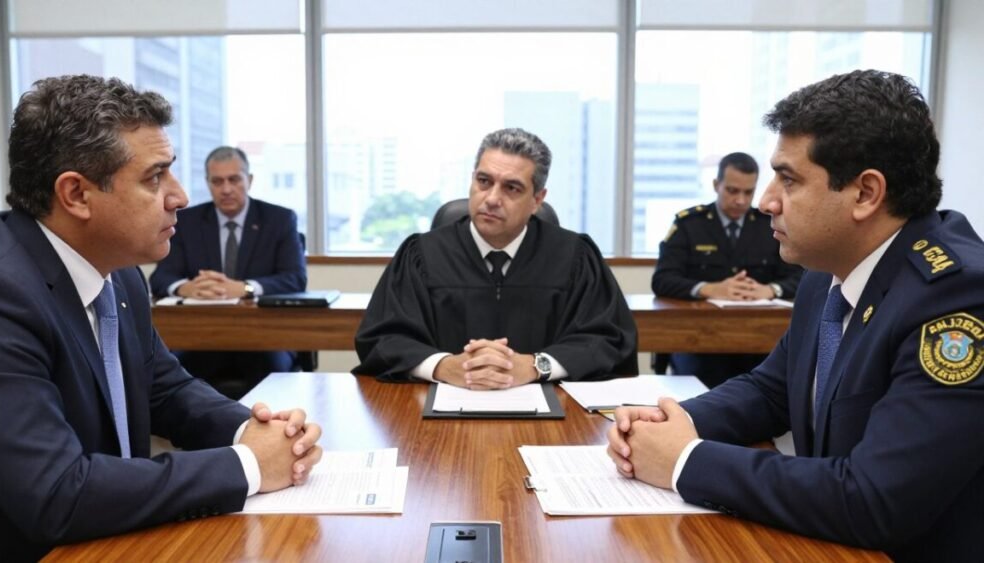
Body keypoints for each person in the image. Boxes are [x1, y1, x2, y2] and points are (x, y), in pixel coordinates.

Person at [607, 69, 984, 561]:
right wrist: (669, 421)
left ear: (866, 194)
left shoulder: (954, 297)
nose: (766, 201)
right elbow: (773, 388)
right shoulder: (825, 270)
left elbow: (875, 499)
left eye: (789, 179)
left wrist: (685, 459)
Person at [0, 75, 323, 561]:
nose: (180, 197)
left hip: (122, 537)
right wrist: (247, 466)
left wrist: (252, 430)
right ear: (76, 194)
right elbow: (56, 493)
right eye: (155, 178)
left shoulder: (122, 275)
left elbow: (167, 390)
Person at [354, 128, 637, 388]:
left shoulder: (574, 257)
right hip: (437, 417)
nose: (491, 198)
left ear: (538, 199)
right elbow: (383, 338)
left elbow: (608, 339)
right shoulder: (421, 255)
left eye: (511, 188)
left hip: (554, 417)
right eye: (484, 181)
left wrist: (536, 365)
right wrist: (443, 366)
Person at [149, 146, 307, 398]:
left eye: (234, 179)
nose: (226, 189)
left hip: (264, 337)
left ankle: (269, 434)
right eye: (217, 181)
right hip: (202, 336)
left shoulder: (279, 219)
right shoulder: (186, 221)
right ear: (208, 184)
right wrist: (185, 287)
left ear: (250, 180)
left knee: (273, 371)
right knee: (170, 372)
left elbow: (295, 278)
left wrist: (245, 288)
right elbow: (160, 277)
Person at [652, 152, 804, 387]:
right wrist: (709, 289)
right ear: (716, 185)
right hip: (700, 341)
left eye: (748, 192)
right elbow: (662, 279)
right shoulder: (690, 225)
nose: (741, 200)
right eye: (732, 191)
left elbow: (799, 276)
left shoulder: (769, 226)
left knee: (769, 384)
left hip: (757, 340)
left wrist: (770, 290)